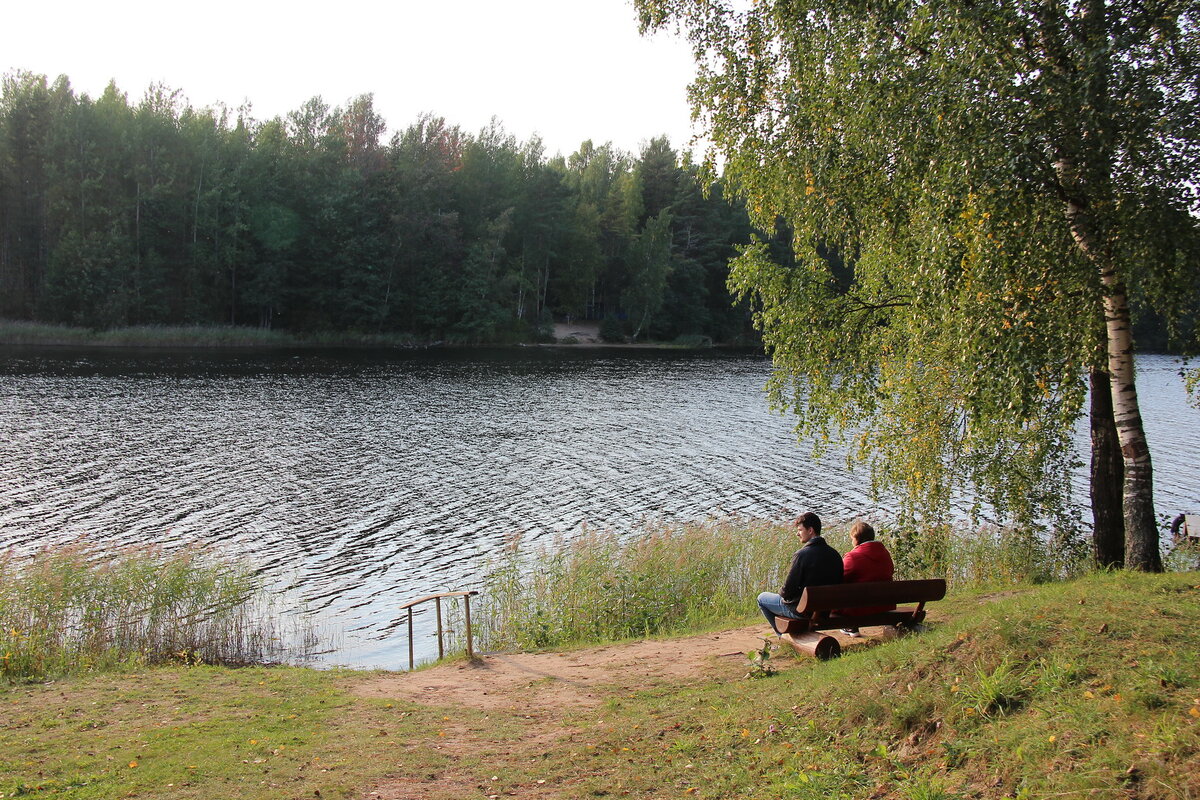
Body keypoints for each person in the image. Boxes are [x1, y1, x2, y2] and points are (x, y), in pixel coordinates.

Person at [757, 511, 843, 635]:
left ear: (810, 530)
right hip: (825, 611)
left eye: (800, 530)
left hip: (802, 610)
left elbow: (788, 589)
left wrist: (783, 594)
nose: (797, 533)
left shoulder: (801, 555)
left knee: (762, 598)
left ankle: (782, 636)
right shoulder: (834, 554)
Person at [838, 520, 895, 637]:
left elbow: (839, 578)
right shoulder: (885, 554)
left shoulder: (853, 557)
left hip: (857, 609)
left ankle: (851, 626)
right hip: (885, 606)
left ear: (856, 538)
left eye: (852, 538)